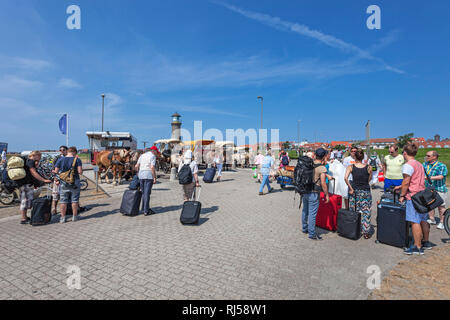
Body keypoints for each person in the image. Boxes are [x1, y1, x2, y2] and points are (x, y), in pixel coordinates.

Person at [394, 143, 431, 255]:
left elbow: (406, 182)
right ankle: (426, 242)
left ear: (405, 153)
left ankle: (417, 246)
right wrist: (401, 186)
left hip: (413, 196)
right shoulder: (419, 164)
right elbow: (416, 179)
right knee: (423, 219)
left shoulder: (407, 165)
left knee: (414, 221)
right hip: (422, 194)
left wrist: (402, 195)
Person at [344, 149, 373, 239]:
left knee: (354, 211)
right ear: (363, 157)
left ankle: (354, 228)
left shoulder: (351, 167)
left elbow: (345, 178)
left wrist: (351, 188)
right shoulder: (369, 167)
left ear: (355, 157)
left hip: (355, 191)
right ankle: (366, 232)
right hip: (365, 191)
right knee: (366, 211)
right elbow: (369, 179)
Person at [302, 148, 329, 240]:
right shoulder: (322, 168)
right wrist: (327, 195)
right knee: (312, 214)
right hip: (314, 193)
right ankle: (312, 233)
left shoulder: (309, 163)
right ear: (324, 156)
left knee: (305, 211)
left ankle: (304, 228)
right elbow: (323, 183)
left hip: (305, 190)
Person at [19, 151, 52, 224]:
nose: (40, 158)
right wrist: (44, 180)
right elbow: (33, 172)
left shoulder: (26, 161)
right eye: (39, 156)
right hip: (26, 184)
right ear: (35, 155)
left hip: (23, 184)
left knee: (24, 200)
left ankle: (24, 217)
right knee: (25, 201)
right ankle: (23, 219)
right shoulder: (30, 161)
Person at [54, 147, 83, 223]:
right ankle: (74, 217)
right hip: (75, 181)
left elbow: (56, 171)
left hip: (63, 182)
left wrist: (57, 179)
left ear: (68, 152)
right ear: (74, 152)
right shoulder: (77, 160)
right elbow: (80, 172)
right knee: (75, 200)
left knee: (63, 200)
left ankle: (63, 218)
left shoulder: (60, 159)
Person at [423, 150, 448, 230]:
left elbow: (441, 176)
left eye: (428, 156)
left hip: (439, 189)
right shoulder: (424, 164)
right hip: (428, 189)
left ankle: (442, 222)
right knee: (430, 205)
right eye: (426, 155)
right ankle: (432, 219)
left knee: (441, 207)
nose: (426, 157)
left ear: (434, 157)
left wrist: (428, 178)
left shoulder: (441, 166)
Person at [135, 146, 158, 216]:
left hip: (141, 175)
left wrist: (138, 173)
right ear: (153, 151)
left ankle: (143, 208)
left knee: (143, 193)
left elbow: (136, 166)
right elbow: (152, 167)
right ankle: (146, 210)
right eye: (156, 152)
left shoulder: (142, 155)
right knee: (147, 194)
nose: (156, 153)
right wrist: (154, 177)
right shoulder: (153, 156)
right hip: (148, 175)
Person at [51, 146, 68, 215]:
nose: (62, 151)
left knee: (66, 195)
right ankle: (54, 209)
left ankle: (65, 209)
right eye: (60, 150)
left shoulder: (69, 158)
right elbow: (53, 169)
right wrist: (55, 178)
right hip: (58, 178)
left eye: (63, 150)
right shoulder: (57, 158)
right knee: (55, 195)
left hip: (66, 179)